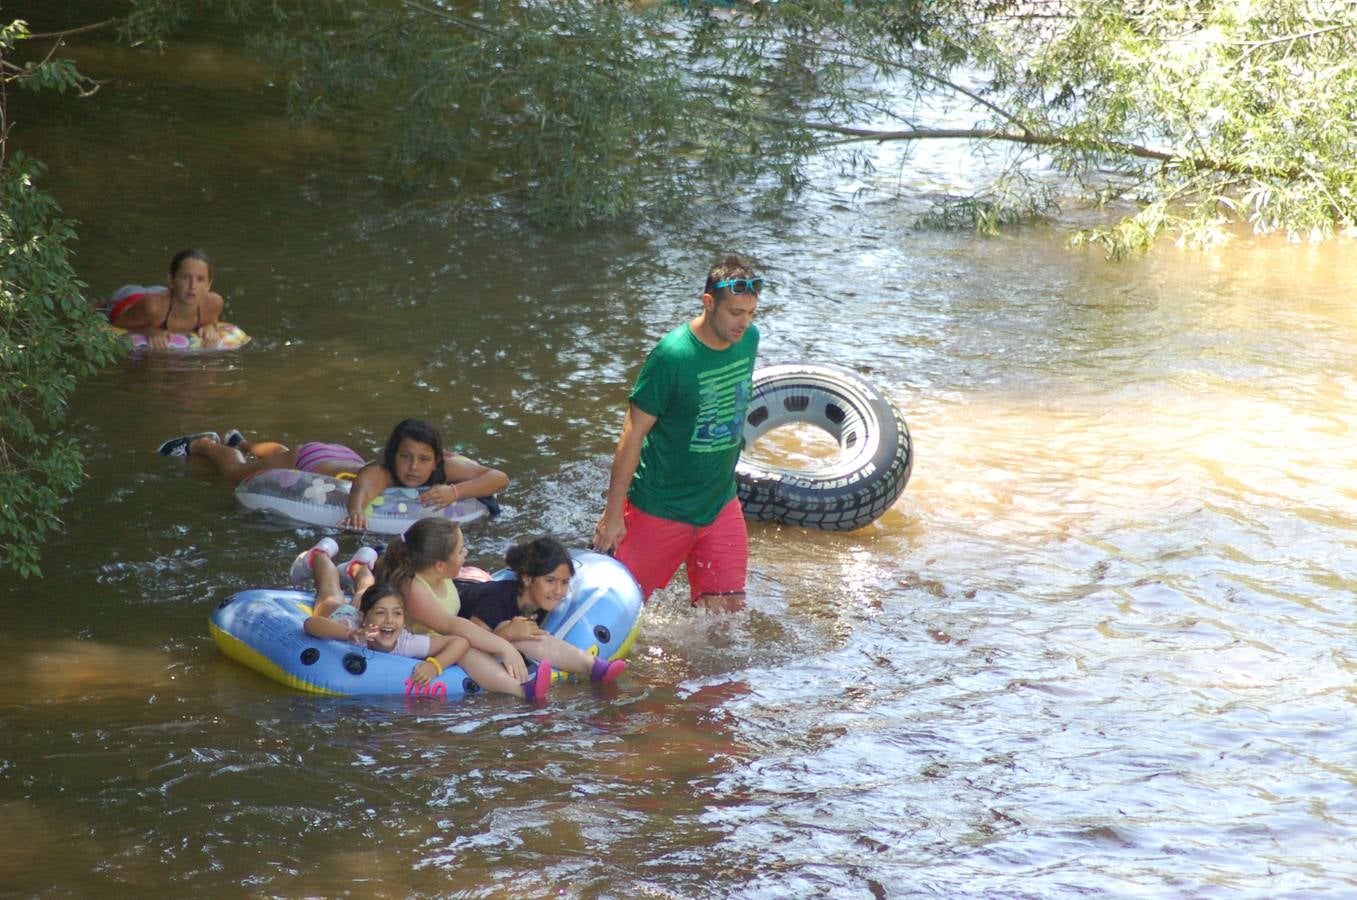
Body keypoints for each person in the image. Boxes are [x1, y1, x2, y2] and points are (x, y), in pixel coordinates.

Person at [592, 254, 761, 612]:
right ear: (708, 302)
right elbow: (632, 433)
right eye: (735, 313)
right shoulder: (671, 356)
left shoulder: (749, 341)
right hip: (660, 506)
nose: (743, 324)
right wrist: (612, 514)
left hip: (719, 503)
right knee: (614, 608)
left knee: (727, 618)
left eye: (750, 314)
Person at [157, 418, 508, 528]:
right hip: (313, 461)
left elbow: (498, 477)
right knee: (237, 473)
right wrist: (356, 512)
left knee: (278, 454)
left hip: (342, 457)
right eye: (405, 457)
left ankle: (245, 440)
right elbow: (364, 485)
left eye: (422, 460)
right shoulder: (384, 470)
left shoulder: (444, 467)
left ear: (436, 461)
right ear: (392, 454)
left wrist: (456, 493)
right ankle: (205, 444)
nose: (413, 468)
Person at [376, 519, 552, 703]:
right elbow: (451, 624)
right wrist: (504, 647)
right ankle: (522, 691)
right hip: (418, 646)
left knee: (509, 629)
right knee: (465, 648)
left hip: (444, 639)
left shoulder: (441, 575)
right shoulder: (413, 588)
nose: (466, 552)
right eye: (460, 550)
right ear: (439, 565)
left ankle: (584, 665)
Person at [298, 538, 469, 689]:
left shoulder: (404, 643)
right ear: (362, 618)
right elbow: (311, 623)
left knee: (365, 593)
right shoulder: (352, 627)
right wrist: (349, 634)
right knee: (331, 593)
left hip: (365, 614)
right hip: (346, 617)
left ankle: (359, 566)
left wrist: (435, 665)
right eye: (382, 614)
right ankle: (320, 555)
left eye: (397, 614)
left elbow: (459, 642)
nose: (389, 620)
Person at [456, 536, 627, 684]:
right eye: (550, 581)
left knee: (525, 631)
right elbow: (469, 644)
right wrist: (507, 634)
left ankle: (594, 667)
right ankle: (589, 666)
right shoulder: (495, 600)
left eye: (564, 582)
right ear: (528, 579)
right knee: (512, 629)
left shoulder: (544, 602)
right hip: (458, 610)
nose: (558, 590)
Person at [104, 248, 225, 350]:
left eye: (200, 279)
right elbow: (117, 324)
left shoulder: (213, 304)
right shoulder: (152, 308)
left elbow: (212, 323)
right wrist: (148, 330)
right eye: (185, 277)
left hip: (169, 296)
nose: (192, 286)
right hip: (129, 299)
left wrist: (209, 326)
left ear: (209, 284)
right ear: (172, 280)